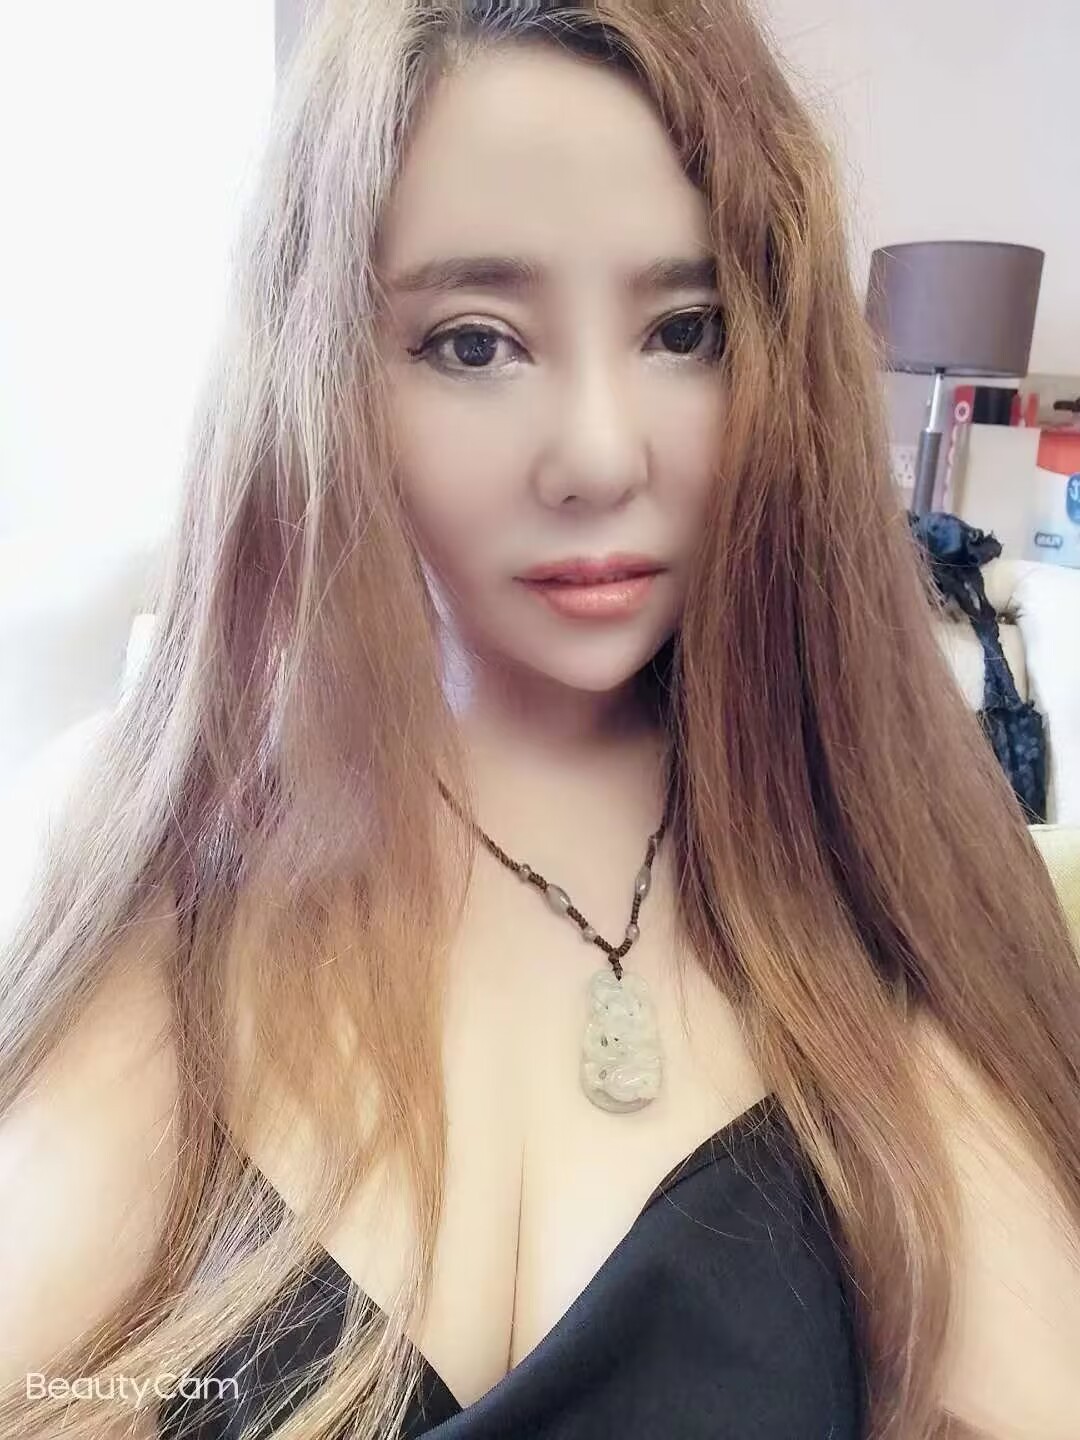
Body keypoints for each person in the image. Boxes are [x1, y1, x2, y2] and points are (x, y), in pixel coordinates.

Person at [1, 1, 1078, 1436]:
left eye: (685, 331)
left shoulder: (883, 865)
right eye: (473, 344)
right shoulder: (152, 844)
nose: (597, 455)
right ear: (327, 373)